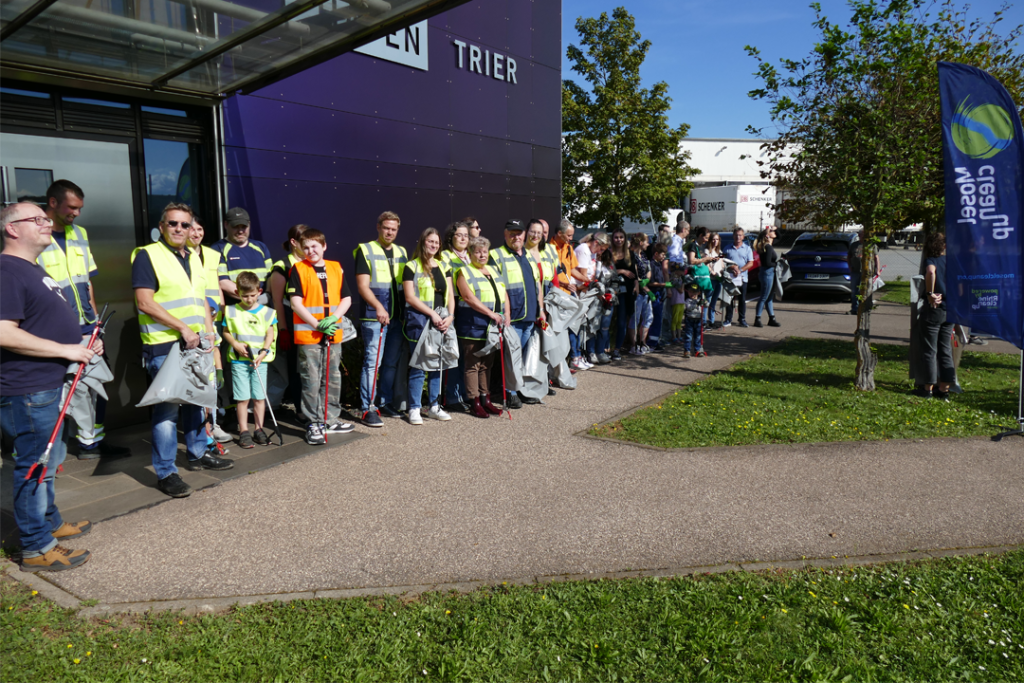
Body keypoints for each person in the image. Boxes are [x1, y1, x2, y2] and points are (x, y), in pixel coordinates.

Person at [1, 202, 97, 572]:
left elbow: (42, 323)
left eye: (46, 218)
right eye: (37, 219)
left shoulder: (31, 270)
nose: (47, 223)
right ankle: (35, 546)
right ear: (12, 229)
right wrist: (66, 349)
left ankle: (50, 522)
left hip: (47, 384)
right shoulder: (7, 270)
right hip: (27, 389)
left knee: (50, 460)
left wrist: (84, 341)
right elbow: (3, 331)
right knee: (33, 465)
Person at [132, 203, 232, 499]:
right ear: (161, 226)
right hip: (165, 345)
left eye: (185, 225)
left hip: (196, 343)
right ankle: (166, 472)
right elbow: (145, 303)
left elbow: (199, 298)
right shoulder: (147, 255)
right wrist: (184, 329)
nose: (179, 229)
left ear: (192, 229)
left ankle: (197, 454)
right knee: (166, 412)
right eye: (173, 224)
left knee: (195, 402)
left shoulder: (194, 257)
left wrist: (208, 331)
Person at [37, 180, 129, 459]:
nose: (76, 213)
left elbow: (86, 282)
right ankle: (52, 450)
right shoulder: (36, 235)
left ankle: (92, 443)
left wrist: (96, 326)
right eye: (72, 207)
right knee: (62, 390)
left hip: (87, 327)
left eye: (79, 208)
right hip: (52, 331)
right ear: (53, 203)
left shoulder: (79, 233)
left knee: (96, 385)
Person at [288, 229, 354, 444]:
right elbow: (296, 303)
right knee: (311, 380)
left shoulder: (335, 268)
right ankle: (313, 423)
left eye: (314, 246)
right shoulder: (298, 269)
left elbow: (346, 299)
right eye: (306, 247)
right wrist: (317, 325)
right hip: (309, 336)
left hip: (332, 334)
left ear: (324, 246)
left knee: (332, 378)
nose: (310, 251)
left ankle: (330, 418)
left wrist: (334, 319)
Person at [354, 211, 408, 427]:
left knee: (390, 363)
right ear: (378, 227)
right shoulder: (365, 250)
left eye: (394, 229)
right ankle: (368, 408)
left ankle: (384, 402)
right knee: (372, 363)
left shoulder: (401, 251)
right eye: (386, 228)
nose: (390, 232)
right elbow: (362, 286)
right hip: (375, 317)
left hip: (397, 317)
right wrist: (378, 307)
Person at [489, 219, 545, 409]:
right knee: (511, 356)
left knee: (522, 357)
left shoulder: (529, 255)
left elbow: (538, 285)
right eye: (512, 233)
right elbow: (495, 287)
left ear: (524, 235)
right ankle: (510, 392)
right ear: (505, 235)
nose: (516, 237)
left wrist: (541, 310)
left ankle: (520, 389)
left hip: (530, 316)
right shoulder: (496, 255)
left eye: (519, 233)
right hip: (512, 317)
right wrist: (504, 313)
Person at [403, 228, 455, 424]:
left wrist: (450, 316)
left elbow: (450, 295)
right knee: (419, 366)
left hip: (441, 321)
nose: (433, 245)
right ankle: (414, 408)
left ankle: (434, 406)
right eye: (430, 241)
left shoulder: (444, 266)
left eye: (436, 242)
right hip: (420, 320)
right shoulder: (411, 266)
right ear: (423, 242)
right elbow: (409, 296)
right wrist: (432, 313)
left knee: (437, 366)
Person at [455, 236, 510, 418]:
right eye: (477, 252)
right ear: (470, 254)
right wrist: (490, 313)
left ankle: (486, 399)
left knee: (487, 364)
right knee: (473, 364)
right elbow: (469, 298)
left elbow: (504, 294)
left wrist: (506, 315)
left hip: (492, 327)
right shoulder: (464, 272)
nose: (481, 255)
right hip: (472, 325)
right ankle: (474, 401)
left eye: (484, 251)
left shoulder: (494, 270)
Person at [187, 219, 231, 448]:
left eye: (200, 228)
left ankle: (213, 424)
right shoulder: (181, 256)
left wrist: (221, 316)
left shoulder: (212, 254)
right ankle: (202, 428)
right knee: (199, 378)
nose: (196, 232)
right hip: (195, 319)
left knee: (212, 376)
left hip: (213, 319)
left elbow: (216, 285)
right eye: (191, 228)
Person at [222, 271, 277, 448]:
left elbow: (270, 333)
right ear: (237, 293)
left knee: (259, 397)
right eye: (245, 296)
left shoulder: (267, 312)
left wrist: (264, 351)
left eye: (253, 295)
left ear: (259, 292)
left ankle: (259, 429)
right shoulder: (231, 311)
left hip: (260, 361)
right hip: (239, 361)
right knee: (242, 398)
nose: (249, 299)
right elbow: (226, 332)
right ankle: (244, 431)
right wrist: (235, 344)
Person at [266, 224, 307, 412]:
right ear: (294, 242)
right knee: (296, 370)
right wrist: (283, 330)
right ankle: (300, 410)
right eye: (305, 242)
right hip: (291, 325)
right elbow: (277, 301)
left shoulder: (311, 264)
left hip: (311, 325)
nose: (309, 247)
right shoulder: (282, 267)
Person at [916, 232, 955, 400]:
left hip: (934, 309)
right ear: (944, 246)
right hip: (950, 309)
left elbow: (931, 272)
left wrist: (931, 293)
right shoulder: (952, 262)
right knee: (945, 350)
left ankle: (928, 388)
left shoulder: (931, 260)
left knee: (930, 350)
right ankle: (944, 389)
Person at [439, 221, 472, 412]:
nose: (463, 238)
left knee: (466, 355)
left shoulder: (471, 256)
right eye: (459, 235)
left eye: (466, 235)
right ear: (451, 237)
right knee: (453, 353)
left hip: (470, 310)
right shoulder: (445, 255)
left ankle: (465, 394)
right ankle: (452, 397)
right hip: (455, 309)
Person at [214, 207, 273, 305]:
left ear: (249, 225)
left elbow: (271, 277)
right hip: (236, 310)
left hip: (263, 309)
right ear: (226, 225)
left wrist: (267, 294)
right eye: (235, 227)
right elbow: (223, 282)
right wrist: (251, 298)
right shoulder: (218, 249)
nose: (240, 231)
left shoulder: (261, 247)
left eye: (243, 227)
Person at [552, 219, 588, 368]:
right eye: (568, 235)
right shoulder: (549, 249)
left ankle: (575, 357)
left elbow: (571, 269)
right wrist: (563, 284)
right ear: (559, 233)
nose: (571, 238)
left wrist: (585, 279)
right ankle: (566, 361)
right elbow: (549, 275)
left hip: (569, 293)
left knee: (575, 326)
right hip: (557, 294)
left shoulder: (568, 248)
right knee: (561, 330)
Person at [574, 231, 610, 367]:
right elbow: (583, 276)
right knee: (580, 325)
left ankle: (581, 355)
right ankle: (577, 356)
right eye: (601, 249)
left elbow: (592, 274)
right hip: (580, 291)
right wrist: (590, 287)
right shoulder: (584, 250)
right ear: (596, 243)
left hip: (587, 290)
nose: (601, 252)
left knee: (586, 325)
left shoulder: (592, 252)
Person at [609, 227, 638, 360]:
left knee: (622, 322)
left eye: (621, 237)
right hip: (612, 290)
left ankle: (617, 349)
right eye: (616, 237)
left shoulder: (630, 254)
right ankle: (605, 347)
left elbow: (634, 273)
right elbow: (605, 272)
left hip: (627, 292)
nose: (619, 240)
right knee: (608, 321)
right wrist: (620, 271)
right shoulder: (608, 254)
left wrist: (636, 285)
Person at [722, 226, 754, 328]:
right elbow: (722, 262)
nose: (738, 237)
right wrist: (732, 268)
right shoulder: (727, 248)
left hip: (743, 278)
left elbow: (750, 263)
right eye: (736, 235)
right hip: (730, 278)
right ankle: (728, 319)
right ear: (733, 236)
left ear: (743, 237)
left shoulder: (747, 249)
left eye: (740, 235)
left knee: (742, 299)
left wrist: (740, 270)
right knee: (729, 300)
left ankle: (742, 319)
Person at [628, 233, 654, 355]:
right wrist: (642, 283)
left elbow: (648, 271)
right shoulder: (632, 256)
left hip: (645, 291)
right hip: (637, 292)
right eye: (646, 242)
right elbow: (635, 274)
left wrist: (647, 280)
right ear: (640, 242)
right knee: (635, 319)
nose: (648, 244)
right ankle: (634, 345)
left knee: (648, 317)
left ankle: (642, 342)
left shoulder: (643, 256)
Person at [753, 227, 781, 328]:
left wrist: (775, 228)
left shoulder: (767, 245)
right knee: (764, 296)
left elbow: (779, 237)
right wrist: (777, 264)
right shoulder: (767, 247)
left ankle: (772, 318)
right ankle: (757, 318)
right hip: (767, 273)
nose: (774, 233)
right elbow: (767, 263)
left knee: (769, 297)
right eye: (772, 232)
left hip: (769, 273)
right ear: (767, 235)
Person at [848, 229, 880, 316]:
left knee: (866, 290)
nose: (860, 236)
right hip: (855, 271)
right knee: (855, 290)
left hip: (867, 272)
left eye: (862, 234)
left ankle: (866, 308)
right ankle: (854, 308)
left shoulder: (871, 245)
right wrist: (850, 267)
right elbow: (849, 256)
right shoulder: (854, 245)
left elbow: (876, 258)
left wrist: (877, 270)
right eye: (859, 234)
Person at [647, 243, 669, 350]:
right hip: (654, 294)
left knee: (659, 318)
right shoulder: (652, 265)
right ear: (656, 254)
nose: (664, 257)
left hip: (659, 294)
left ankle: (656, 341)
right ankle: (651, 343)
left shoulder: (658, 265)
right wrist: (664, 284)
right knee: (655, 318)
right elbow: (650, 283)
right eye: (663, 255)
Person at [704, 232, 726, 327]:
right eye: (713, 239)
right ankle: (704, 321)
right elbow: (706, 263)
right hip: (711, 278)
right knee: (707, 300)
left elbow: (722, 264)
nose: (715, 241)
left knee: (714, 301)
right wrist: (712, 271)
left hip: (719, 279)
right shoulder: (707, 251)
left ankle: (712, 320)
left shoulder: (719, 252)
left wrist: (723, 271)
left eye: (717, 239)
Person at [681, 282, 705, 358]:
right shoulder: (688, 300)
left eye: (694, 292)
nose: (692, 294)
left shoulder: (700, 300)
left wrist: (705, 302)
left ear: (699, 293)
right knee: (688, 336)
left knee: (698, 336)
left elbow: (706, 305)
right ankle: (687, 351)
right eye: (690, 292)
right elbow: (689, 308)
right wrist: (697, 304)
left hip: (698, 320)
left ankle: (697, 350)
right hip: (689, 320)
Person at [669, 278, 687, 344]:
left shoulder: (680, 280)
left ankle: (679, 336)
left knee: (679, 321)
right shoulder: (675, 280)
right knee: (674, 320)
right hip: (676, 302)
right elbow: (681, 290)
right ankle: (674, 337)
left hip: (681, 302)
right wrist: (683, 283)